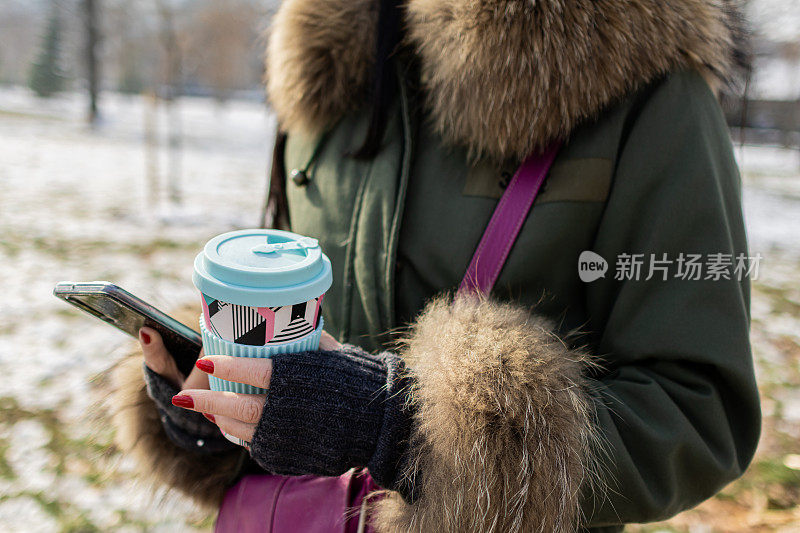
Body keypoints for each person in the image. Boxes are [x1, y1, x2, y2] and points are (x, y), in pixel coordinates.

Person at [111, 0, 761, 531]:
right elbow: (312, 330)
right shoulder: (327, 65)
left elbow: (698, 413)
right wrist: (224, 407)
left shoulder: (647, 85)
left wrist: (405, 428)